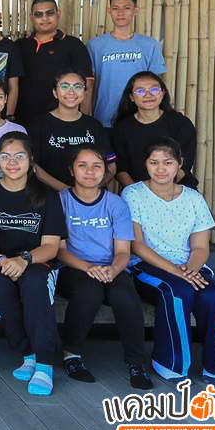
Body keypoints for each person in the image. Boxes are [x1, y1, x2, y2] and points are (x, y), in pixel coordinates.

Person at [123, 138, 215, 384]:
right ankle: (171, 362)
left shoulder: (193, 198)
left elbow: (200, 247)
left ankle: (213, 365)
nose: (161, 169)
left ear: (179, 164)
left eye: (168, 163)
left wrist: (190, 269)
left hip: (189, 266)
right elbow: (137, 245)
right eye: (154, 162)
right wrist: (176, 272)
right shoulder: (133, 194)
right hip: (147, 266)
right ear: (145, 164)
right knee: (178, 292)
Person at [0, 132, 66, 396]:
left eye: (19, 156)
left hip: (36, 262)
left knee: (35, 285)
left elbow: (51, 246)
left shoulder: (47, 195)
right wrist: (3, 260)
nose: (12, 162)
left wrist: (24, 260)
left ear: (31, 160)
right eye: (5, 156)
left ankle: (45, 363)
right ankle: (28, 353)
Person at [56, 146, 153, 389]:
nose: (90, 171)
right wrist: (89, 267)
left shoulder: (116, 204)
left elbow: (123, 251)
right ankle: (72, 354)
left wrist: (113, 270)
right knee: (89, 291)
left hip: (111, 268)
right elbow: (59, 250)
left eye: (97, 166)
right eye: (82, 165)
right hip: (73, 268)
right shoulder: (60, 201)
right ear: (71, 170)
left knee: (124, 294)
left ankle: (136, 363)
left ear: (105, 172)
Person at [87, 0, 166, 128]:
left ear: (135, 11)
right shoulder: (95, 45)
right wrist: (87, 114)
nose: (120, 13)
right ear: (109, 11)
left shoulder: (150, 45)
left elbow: (156, 83)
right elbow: (89, 84)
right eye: (115, 8)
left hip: (142, 118)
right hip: (104, 119)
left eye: (126, 8)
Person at [28, 70, 116, 192]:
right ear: (55, 92)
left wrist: (90, 188)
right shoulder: (39, 124)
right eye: (64, 86)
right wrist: (67, 191)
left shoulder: (94, 125)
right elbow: (33, 165)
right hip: (51, 195)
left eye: (78, 86)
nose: (71, 91)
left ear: (85, 92)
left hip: (89, 196)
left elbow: (111, 164)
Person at [16, 0, 93, 126]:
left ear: (58, 14)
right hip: (23, 120)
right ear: (31, 17)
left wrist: (84, 123)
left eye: (50, 13)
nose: (44, 18)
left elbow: (87, 86)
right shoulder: (20, 46)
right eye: (39, 14)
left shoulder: (74, 45)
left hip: (62, 122)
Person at [112, 71, 197, 189]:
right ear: (131, 97)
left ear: (163, 93)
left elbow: (184, 164)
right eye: (140, 91)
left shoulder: (181, 123)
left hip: (178, 188)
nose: (148, 95)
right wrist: (139, 193)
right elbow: (121, 169)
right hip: (138, 192)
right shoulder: (122, 128)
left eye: (154, 90)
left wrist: (161, 191)